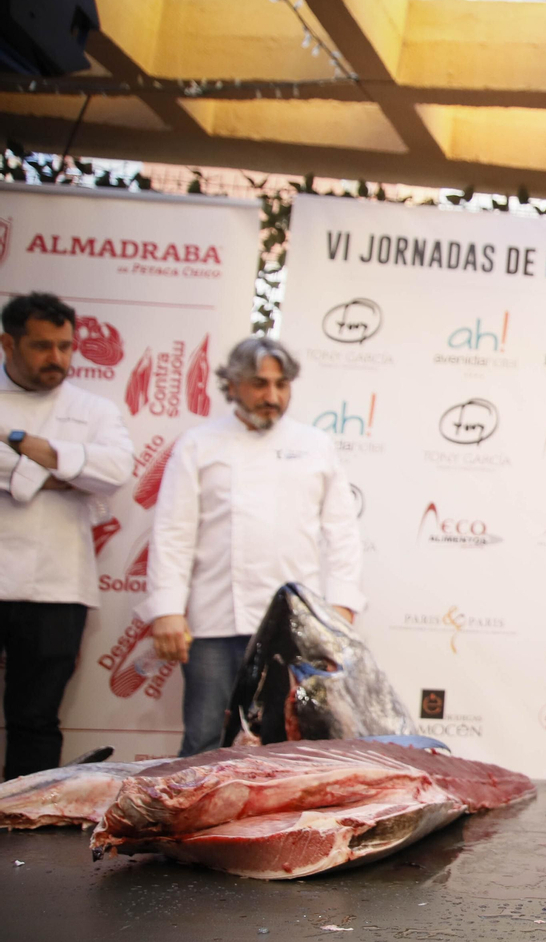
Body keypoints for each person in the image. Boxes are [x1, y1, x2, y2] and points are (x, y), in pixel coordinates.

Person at [139, 338, 364, 756]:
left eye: (282, 385)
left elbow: (342, 532)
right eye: (260, 384)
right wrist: (167, 608)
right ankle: (192, 818)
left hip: (295, 625)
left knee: (290, 740)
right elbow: (173, 531)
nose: (272, 397)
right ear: (233, 384)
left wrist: (343, 605)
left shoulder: (315, 445)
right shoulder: (198, 444)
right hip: (216, 618)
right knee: (205, 737)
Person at [0, 292, 133, 778]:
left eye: (64, 346)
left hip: (58, 587)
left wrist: (20, 443)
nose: (56, 358)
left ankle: (19, 829)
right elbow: (90, 470)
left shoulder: (93, 409)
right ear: (7, 344)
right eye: (41, 346)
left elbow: (116, 469)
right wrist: (67, 469)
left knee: (35, 718)